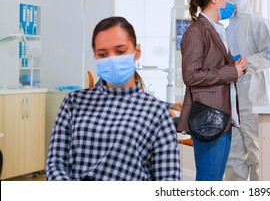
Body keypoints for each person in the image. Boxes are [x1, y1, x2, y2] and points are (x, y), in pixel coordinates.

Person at [46, 16, 180, 181]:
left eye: (121, 51)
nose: (112, 59)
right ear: (95, 56)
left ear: (137, 52)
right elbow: (55, 164)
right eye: (102, 54)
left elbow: (168, 180)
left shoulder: (156, 112)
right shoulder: (74, 102)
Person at [176, 0, 247, 181]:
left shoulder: (217, 29)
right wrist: (230, 72)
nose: (233, 3)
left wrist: (233, 67)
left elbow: (210, 69)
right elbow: (191, 76)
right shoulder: (197, 31)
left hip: (222, 118)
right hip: (209, 118)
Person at [224, 0, 270, 181]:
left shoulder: (259, 23)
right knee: (234, 158)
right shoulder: (226, 29)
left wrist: (246, 64)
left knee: (258, 156)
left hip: (255, 100)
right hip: (231, 103)